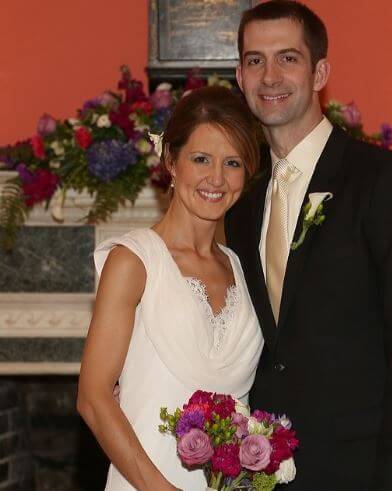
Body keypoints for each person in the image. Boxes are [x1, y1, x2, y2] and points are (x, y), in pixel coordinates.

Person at [225, 1, 392, 489]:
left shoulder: (388, 184)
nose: (270, 76)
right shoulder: (240, 205)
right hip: (264, 475)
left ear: (320, 71)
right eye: (254, 60)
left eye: (288, 58)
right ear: (239, 77)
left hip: (365, 473)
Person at [77, 86, 264, 491]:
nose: (216, 178)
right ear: (170, 162)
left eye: (232, 163)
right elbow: (93, 399)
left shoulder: (244, 269)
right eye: (201, 159)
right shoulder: (134, 261)